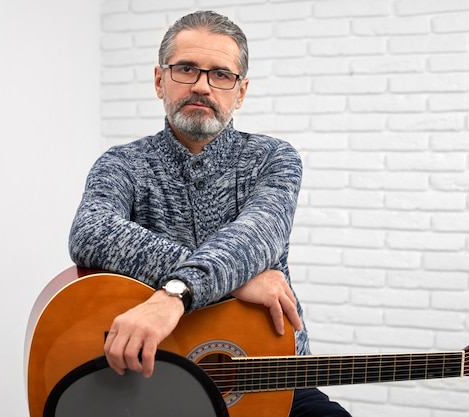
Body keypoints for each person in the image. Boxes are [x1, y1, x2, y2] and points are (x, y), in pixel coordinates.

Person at [69, 10, 351, 417]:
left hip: (271, 373)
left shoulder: (273, 158)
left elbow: (256, 237)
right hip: (154, 377)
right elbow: (90, 233)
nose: (202, 85)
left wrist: (175, 294)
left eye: (221, 74)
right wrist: (238, 280)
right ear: (159, 80)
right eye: (186, 69)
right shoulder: (122, 163)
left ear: (241, 91)